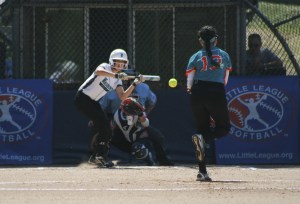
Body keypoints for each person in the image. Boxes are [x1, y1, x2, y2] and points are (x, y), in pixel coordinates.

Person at [74, 48, 143, 168]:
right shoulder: (105, 67)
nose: (120, 65)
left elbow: (123, 96)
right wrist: (116, 74)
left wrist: (134, 84)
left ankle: (97, 156)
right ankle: (99, 157)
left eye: (123, 63)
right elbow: (98, 72)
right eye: (117, 62)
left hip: (92, 101)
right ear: (112, 61)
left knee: (107, 128)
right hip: (82, 98)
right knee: (105, 126)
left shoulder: (117, 79)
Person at [94, 72, 174, 166]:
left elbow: (146, 124)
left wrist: (141, 116)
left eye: (133, 106)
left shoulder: (138, 111)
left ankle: (156, 159)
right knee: (102, 136)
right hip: (123, 136)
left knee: (144, 144)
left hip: (138, 133)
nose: (130, 109)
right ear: (122, 106)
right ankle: (100, 157)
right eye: (128, 106)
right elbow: (110, 126)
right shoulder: (117, 115)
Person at [185, 25, 232, 181]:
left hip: (197, 93)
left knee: (202, 129)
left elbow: (189, 82)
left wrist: (191, 90)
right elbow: (224, 80)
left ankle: (202, 172)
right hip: (216, 92)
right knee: (224, 128)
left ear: (200, 42)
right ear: (216, 40)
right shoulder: (224, 55)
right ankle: (204, 139)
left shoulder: (195, 56)